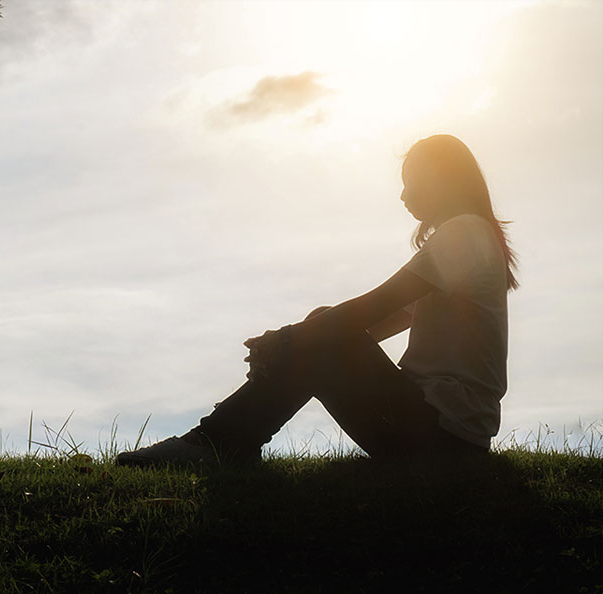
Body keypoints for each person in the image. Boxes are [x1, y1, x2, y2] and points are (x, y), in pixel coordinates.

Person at [116, 134, 519, 467]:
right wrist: (293, 347)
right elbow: (372, 327)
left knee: (323, 326)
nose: (403, 195)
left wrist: (289, 338)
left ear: (442, 178)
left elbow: (376, 305)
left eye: (411, 180)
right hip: (443, 436)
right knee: (322, 326)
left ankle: (217, 442)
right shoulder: (471, 237)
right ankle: (224, 439)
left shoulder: (464, 233)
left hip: (440, 435)